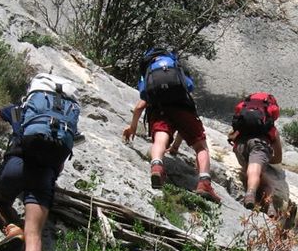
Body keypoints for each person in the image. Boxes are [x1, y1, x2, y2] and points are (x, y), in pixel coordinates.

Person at [0, 74, 79, 251]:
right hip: (44, 176)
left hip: (17, 165)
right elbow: (61, 162)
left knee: (0, 201)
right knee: (35, 232)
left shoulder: (21, 111)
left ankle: (12, 227)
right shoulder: (66, 125)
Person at [122, 49, 221, 204]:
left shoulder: (149, 75)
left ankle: (156, 166)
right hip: (183, 108)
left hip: (159, 109)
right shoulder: (176, 68)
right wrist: (175, 147)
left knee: (159, 140)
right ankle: (204, 183)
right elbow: (188, 89)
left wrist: (132, 127)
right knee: (201, 147)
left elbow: (140, 106)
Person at [229, 92, 284, 211]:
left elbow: (231, 137)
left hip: (240, 148)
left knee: (261, 178)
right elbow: (278, 159)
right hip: (259, 145)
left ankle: (269, 207)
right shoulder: (271, 129)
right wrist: (267, 159)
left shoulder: (241, 125)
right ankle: (250, 194)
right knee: (256, 170)